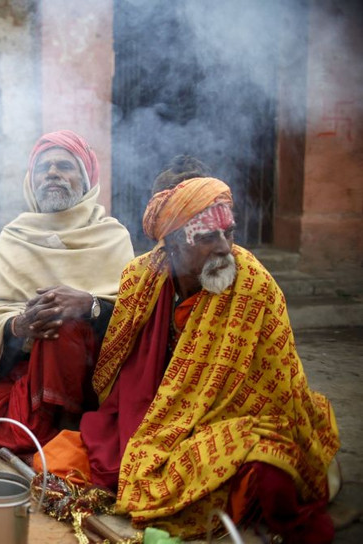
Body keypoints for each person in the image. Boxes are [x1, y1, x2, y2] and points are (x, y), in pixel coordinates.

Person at [37, 166, 340, 541]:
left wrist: (195, 423)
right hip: (154, 418)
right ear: (175, 242)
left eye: (229, 233)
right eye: (209, 237)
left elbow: (278, 393)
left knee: (272, 476)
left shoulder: (254, 285)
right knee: (57, 460)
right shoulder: (141, 279)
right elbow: (120, 372)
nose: (225, 248)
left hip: (229, 421)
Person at [0, 130, 134, 451]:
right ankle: (63, 439)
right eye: (42, 168)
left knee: (66, 323)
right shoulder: (15, 235)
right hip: (32, 380)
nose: (52, 174)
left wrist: (89, 306)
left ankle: (68, 429)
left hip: (96, 382)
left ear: (86, 179)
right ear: (31, 180)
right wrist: (20, 325)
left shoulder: (111, 235)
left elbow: (135, 315)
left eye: (64, 166)